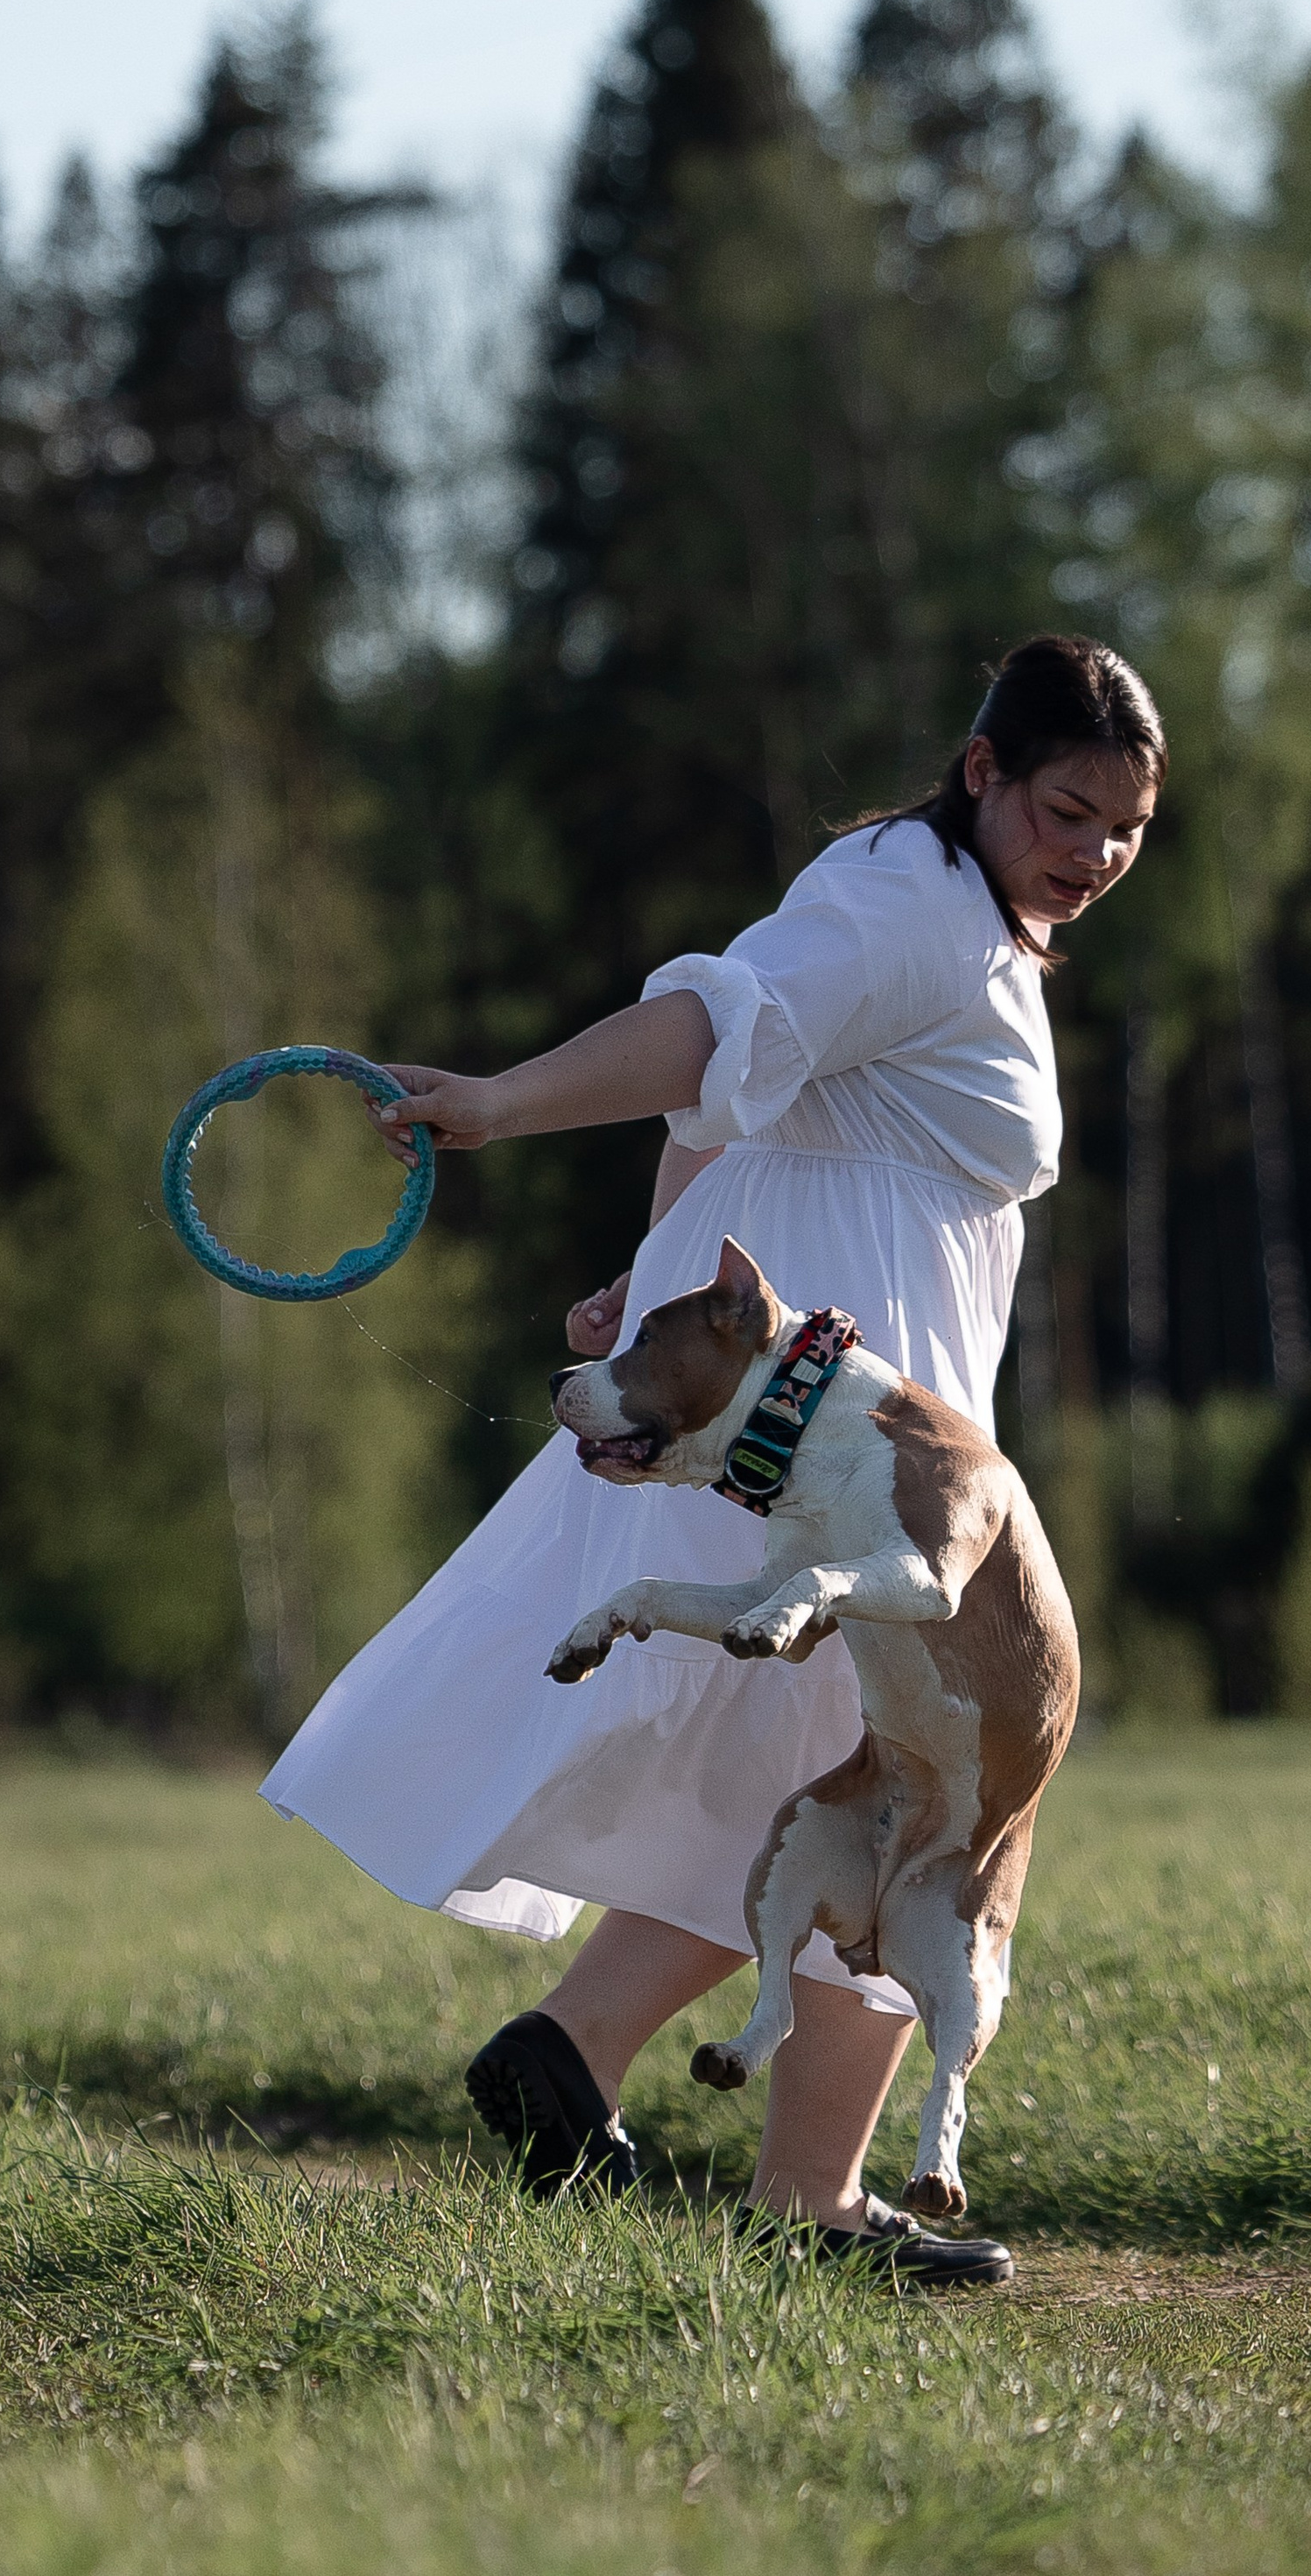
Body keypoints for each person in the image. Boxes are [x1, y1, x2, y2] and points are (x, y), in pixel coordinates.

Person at [260, 634, 1165, 2284]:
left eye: (1122, 828)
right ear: (980, 772)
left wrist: (653, 1284)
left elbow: (733, 1106)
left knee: (828, 1751)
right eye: (1063, 807)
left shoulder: (965, 924)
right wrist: (499, 1102)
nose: (1093, 854)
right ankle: (794, 2195)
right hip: (843, 1401)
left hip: (850, 1382)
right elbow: (707, 1033)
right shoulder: (904, 896)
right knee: (914, 1776)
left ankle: (580, 2056)